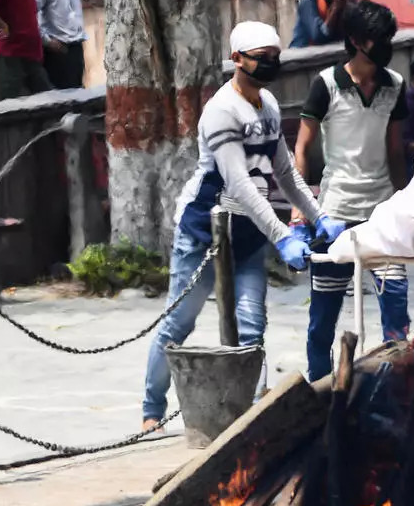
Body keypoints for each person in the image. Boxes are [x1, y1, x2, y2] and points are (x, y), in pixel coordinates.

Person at [141, 21, 337, 431]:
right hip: (205, 231)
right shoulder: (221, 111)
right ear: (237, 60)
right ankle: (152, 408)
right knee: (179, 322)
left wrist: (318, 216)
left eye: (275, 58)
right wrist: (283, 236)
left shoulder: (266, 103)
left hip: (249, 233)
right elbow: (239, 184)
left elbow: (284, 171)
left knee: (252, 324)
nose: (270, 65)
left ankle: (250, 415)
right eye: (261, 58)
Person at [292, 0, 411, 382]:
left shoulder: (395, 86)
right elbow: (302, 149)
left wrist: (407, 202)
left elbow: (396, 150)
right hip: (335, 213)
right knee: (323, 318)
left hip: (381, 215)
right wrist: (300, 213)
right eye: (379, 38)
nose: (386, 45)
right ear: (358, 41)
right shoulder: (326, 85)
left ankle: (395, 387)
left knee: (396, 313)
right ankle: (319, 389)